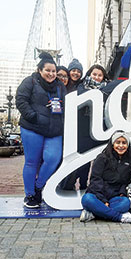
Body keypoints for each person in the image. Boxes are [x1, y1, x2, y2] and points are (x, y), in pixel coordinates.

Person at [16, 52, 66, 209]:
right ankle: (30, 194)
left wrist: (60, 107)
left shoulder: (60, 86)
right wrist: (33, 116)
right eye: (48, 71)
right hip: (32, 128)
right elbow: (21, 99)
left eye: (53, 71)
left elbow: (66, 104)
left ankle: (39, 186)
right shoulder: (29, 81)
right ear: (39, 70)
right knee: (32, 161)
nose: (51, 74)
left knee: (53, 158)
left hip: (54, 130)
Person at [59, 64, 110, 191]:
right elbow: (81, 94)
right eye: (94, 74)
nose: (97, 77)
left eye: (100, 75)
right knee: (82, 159)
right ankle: (76, 184)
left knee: (98, 159)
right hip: (83, 129)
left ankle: (92, 185)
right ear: (89, 75)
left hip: (101, 129)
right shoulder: (82, 86)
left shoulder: (108, 87)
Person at [80, 130, 131, 223]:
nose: (121, 146)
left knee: (125, 203)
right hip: (97, 196)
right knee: (87, 199)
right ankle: (121, 217)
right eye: (118, 142)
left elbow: (125, 183)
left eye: (124, 143)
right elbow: (95, 180)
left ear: (128, 145)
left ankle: (94, 213)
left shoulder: (129, 162)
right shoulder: (102, 158)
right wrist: (103, 201)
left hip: (114, 198)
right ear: (113, 144)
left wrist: (122, 193)